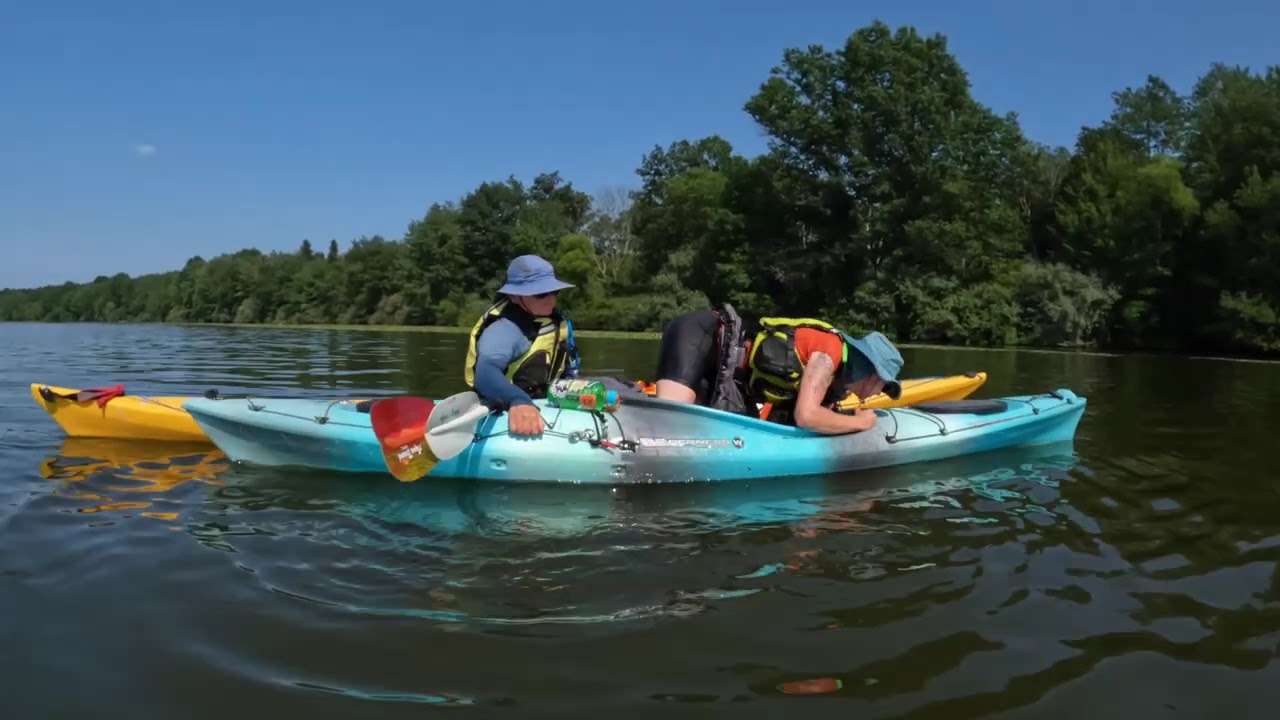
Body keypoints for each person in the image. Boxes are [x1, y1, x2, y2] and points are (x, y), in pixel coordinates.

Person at [654, 304, 904, 435]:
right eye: (883, 386)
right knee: (673, 420)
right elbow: (807, 416)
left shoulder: (834, 385)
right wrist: (862, 423)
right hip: (701, 335)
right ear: (873, 375)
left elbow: (795, 419)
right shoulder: (830, 352)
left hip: (726, 377)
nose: (876, 395)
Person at [464, 254, 580, 437]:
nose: (550, 298)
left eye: (554, 291)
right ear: (515, 296)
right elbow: (485, 373)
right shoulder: (504, 329)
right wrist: (518, 400)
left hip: (545, 401)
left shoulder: (552, 321)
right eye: (540, 293)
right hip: (502, 405)